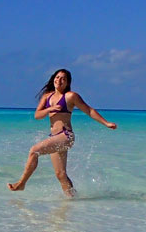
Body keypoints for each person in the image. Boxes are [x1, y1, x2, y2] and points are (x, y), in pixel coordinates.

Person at [8, 68, 116, 196]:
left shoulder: (70, 96)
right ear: (53, 79)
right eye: (57, 77)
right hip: (54, 137)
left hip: (66, 136)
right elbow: (37, 115)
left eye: (63, 79)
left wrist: (106, 123)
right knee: (60, 175)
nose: (59, 80)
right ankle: (72, 199)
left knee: (34, 150)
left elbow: (89, 110)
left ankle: (21, 183)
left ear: (67, 83)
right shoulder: (47, 96)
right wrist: (51, 109)